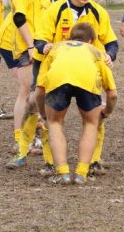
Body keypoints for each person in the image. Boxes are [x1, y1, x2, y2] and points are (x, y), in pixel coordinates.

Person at [39, 23, 117, 185]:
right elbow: (112, 94)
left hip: (58, 79)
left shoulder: (55, 49)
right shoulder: (97, 52)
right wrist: (107, 112)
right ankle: (82, 173)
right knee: (90, 124)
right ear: (91, 40)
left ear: (69, 38)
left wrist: (44, 114)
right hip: (87, 79)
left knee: (54, 123)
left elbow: (39, 91)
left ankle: (63, 173)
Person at [5, 0, 54, 169]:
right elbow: (19, 17)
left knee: (37, 93)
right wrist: (31, 45)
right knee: (26, 93)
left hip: (39, 46)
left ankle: (33, 136)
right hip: (28, 47)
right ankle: (19, 139)